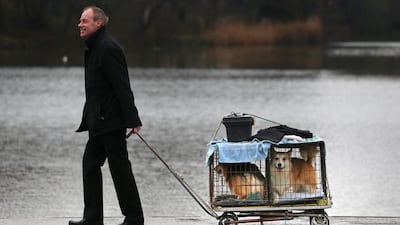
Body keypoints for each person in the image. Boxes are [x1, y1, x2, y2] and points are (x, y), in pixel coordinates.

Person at [69, 6, 144, 225]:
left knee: (119, 168)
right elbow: (97, 90)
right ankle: (92, 218)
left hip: (111, 121)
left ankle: (134, 218)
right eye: (80, 21)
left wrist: (133, 119)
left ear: (98, 23)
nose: (80, 24)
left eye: (84, 21)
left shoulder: (107, 48)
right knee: (90, 165)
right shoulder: (95, 47)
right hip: (99, 121)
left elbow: (122, 86)